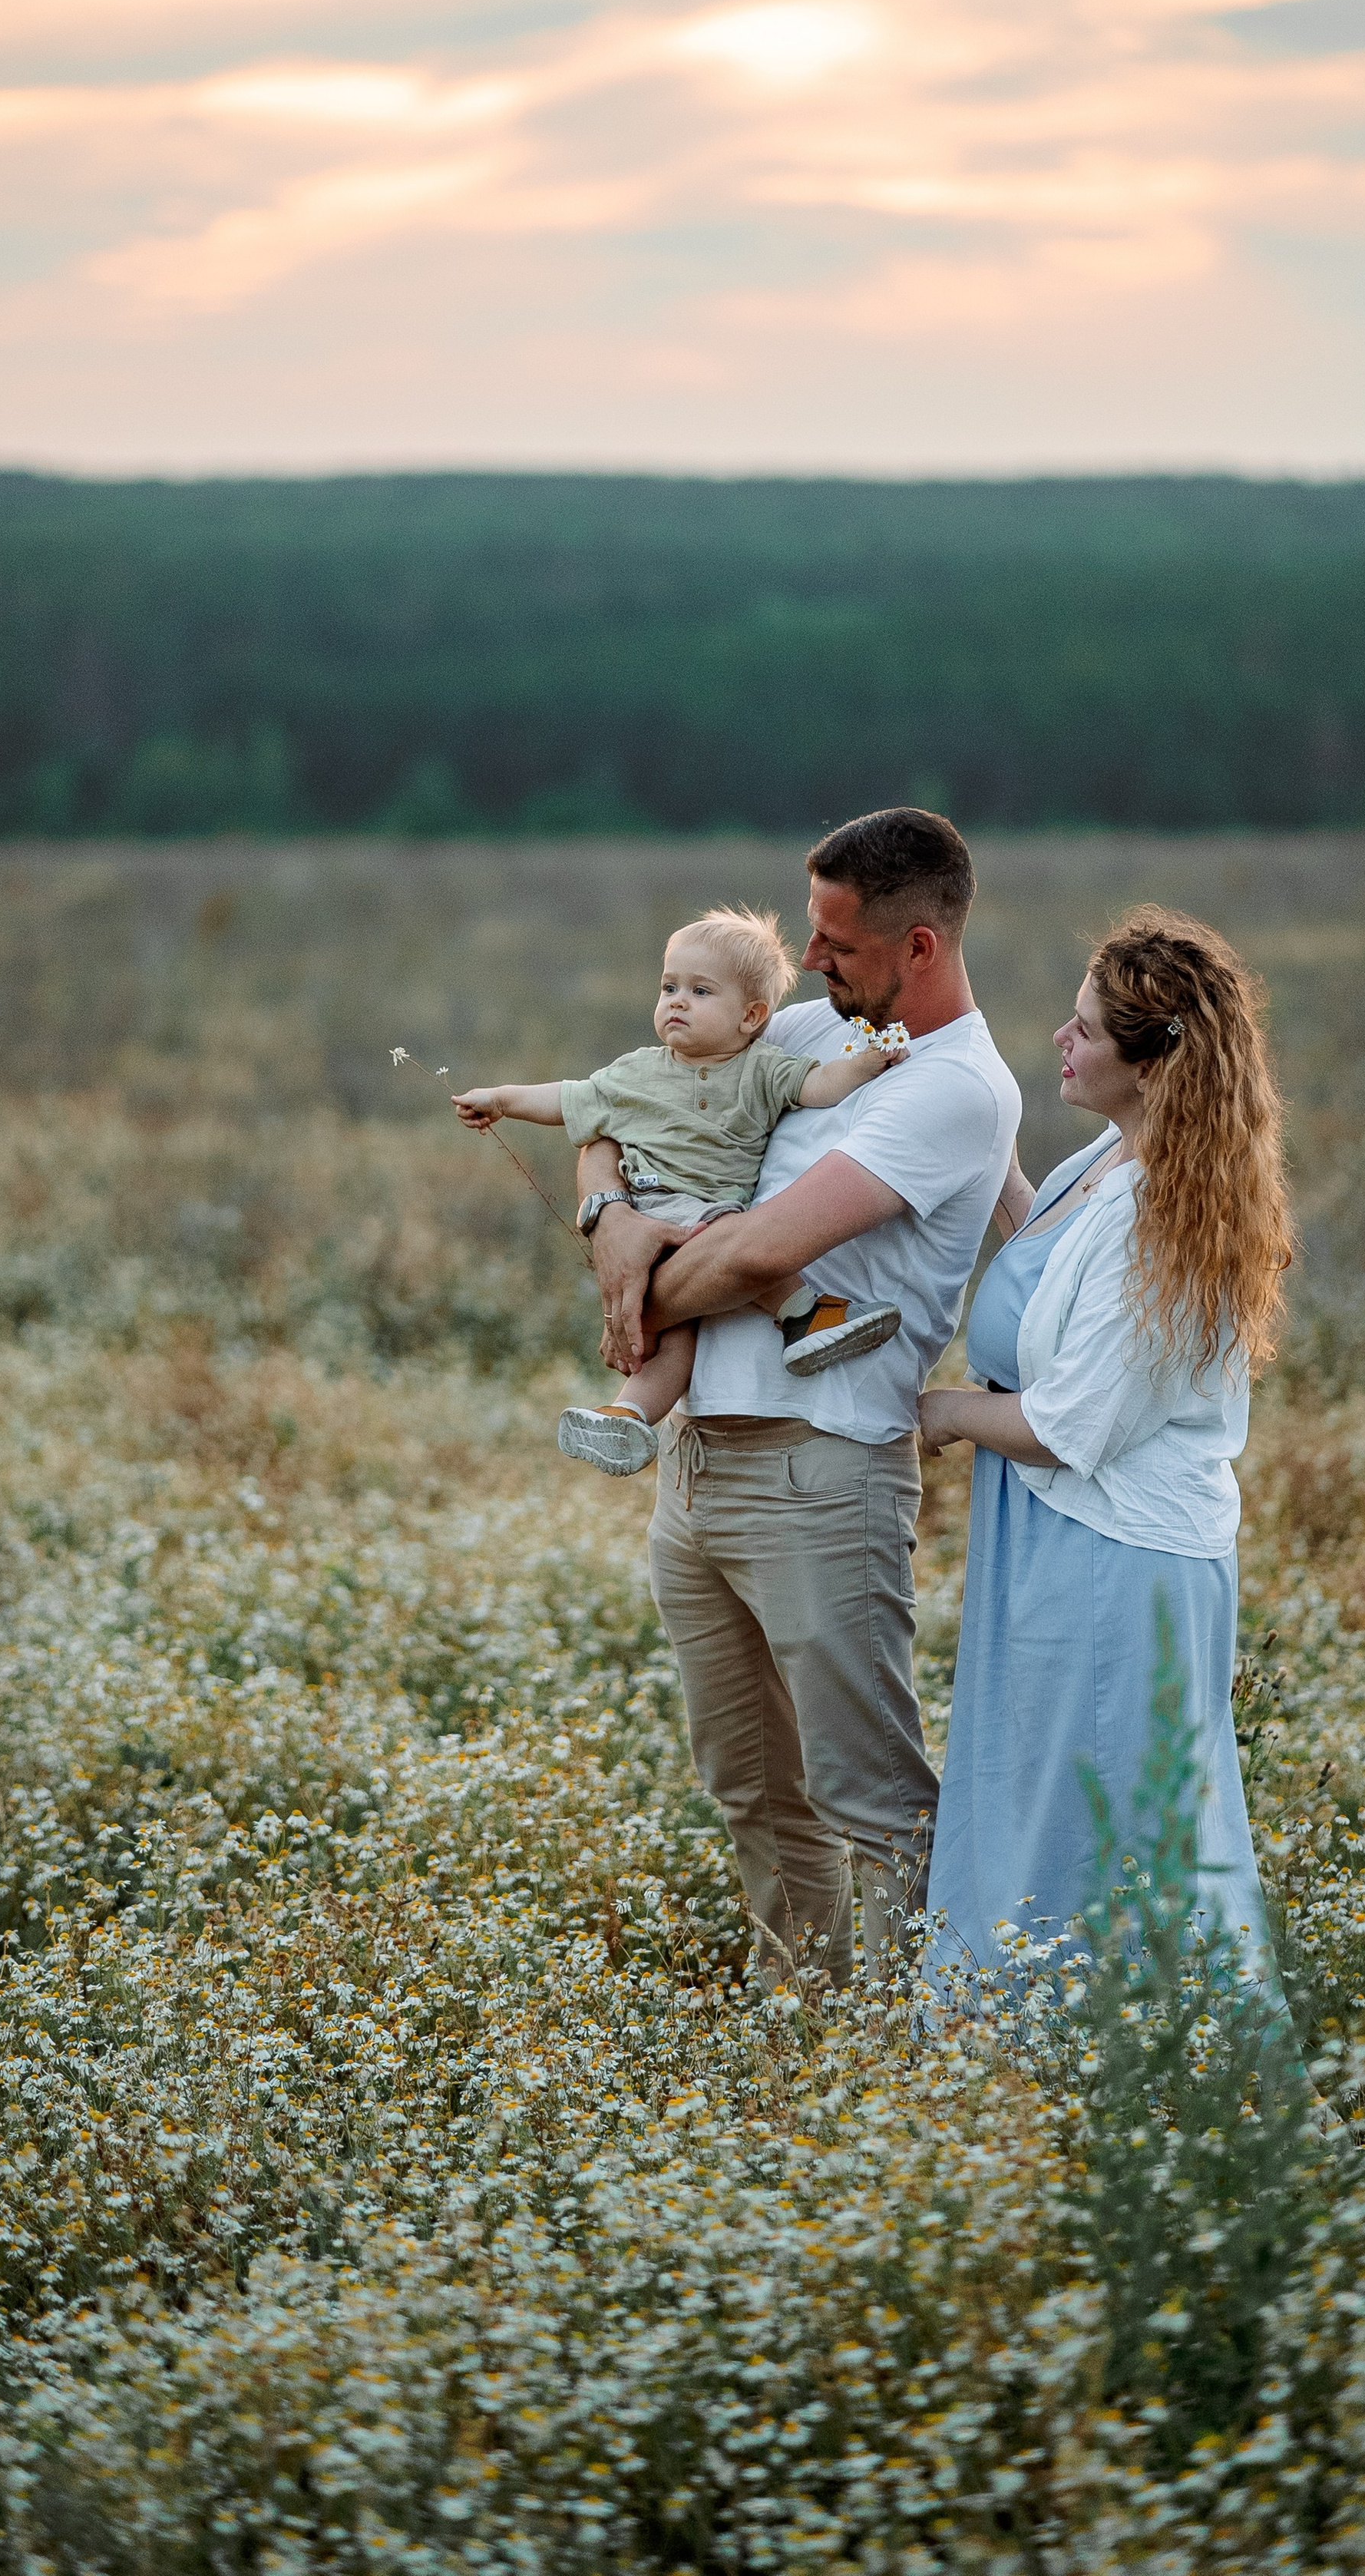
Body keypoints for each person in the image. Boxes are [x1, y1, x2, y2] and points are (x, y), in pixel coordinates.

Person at [584, 810, 1024, 1987]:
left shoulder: (954, 1088)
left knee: (871, 1799)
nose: (810, 960)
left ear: (919, 945)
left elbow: (762, 1254)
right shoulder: (815, 1025)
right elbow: (626, 1101)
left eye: (837, 941)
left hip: (820, 1473)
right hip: (699, 1466)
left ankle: (912, 2048)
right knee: (751, 1788)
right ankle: (808, 2028)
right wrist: (607, 1213)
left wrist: (640, 1291)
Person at [917, 906, 1294, 2003]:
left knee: (1094, 1828)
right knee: (1052, 1807)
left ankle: (1110, 2058)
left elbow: (1067, 1426)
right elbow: (1055, 1273)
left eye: (1084, 1028)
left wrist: (939, 1412)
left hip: (1109, 1559)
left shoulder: (1163, 1213)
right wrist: (988, 1164)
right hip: (1058, 1541)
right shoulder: (1115, 1159)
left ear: (1151, 1059)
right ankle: (1038, 2056)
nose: (1060, 1038)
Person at [451, 908, 910, 1473]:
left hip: (708, 1218)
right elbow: (570, 1099)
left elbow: (820, 1086)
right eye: (669, 988)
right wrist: (502, 1099)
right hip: (650, 1204)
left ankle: (633, 1412)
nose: (677, 1002)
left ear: (751, 1016)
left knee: (683, 1330)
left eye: (700, 991)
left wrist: (866, 1063)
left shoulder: (764, 1069)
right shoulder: (637, 1072)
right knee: (726, 1248)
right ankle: (796, 1320)